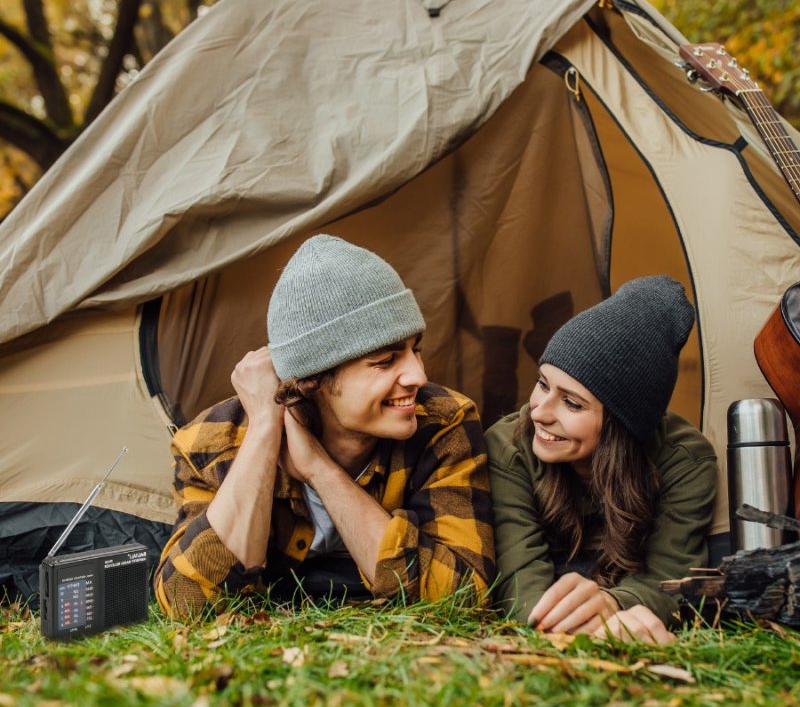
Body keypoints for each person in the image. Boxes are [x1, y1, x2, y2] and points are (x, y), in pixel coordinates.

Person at [154, 235, 495, 617]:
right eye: (385, 360)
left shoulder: (443, 423)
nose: (418, 374)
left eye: (415, 349)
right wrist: (266, 429)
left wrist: (321, 471)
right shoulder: (213, 440)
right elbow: (188, 603)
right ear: (313, 381)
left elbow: (463, 595)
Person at [485, 276, 717, 644]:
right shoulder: (508, 445)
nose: (540, 412)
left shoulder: (685, 459)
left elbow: (672, 578)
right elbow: (520, 586)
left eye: (572, 403)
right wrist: (558, 621)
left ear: (621, 423)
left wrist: (612, 604)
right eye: (543, 383)